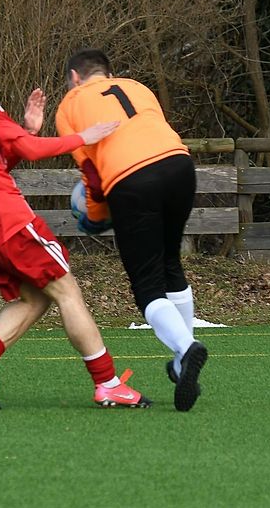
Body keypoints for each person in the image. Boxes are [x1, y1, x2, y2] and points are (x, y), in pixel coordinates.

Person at [0, 22, 150, 410]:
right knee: (67, 291)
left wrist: (27, 128)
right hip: (5, 222)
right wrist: (83, 137)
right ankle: (108, 383)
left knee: (34, 297)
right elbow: (30, 151)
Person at [55, 49, 208, 412]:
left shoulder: (70, 104)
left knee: (146, 284)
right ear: (109, 74)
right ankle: (181, 362)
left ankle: (187, 348)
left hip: (132, 178)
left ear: (75, 77)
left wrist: (94, 217)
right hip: (180, 166)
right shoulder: (138, 86)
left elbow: (91, 174)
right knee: (170, 262)